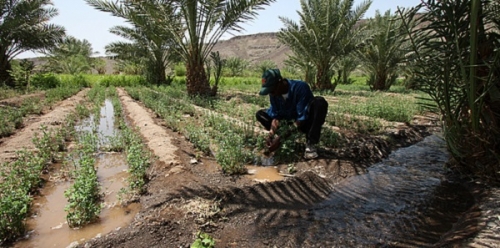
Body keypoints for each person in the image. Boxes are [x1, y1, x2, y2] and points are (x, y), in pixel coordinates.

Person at [256, 68, 328, 159]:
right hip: (288, 121)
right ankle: (279, 138)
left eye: (272, 90)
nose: (272, 94)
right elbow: (276, 117)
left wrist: (281, 139)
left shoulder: (300, 87)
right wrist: (271, 135)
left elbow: (301, 119)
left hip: (304, 123)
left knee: (319, 103)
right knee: (260, 114)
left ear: (280, 82)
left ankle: (311, 143)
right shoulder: (274, 95)